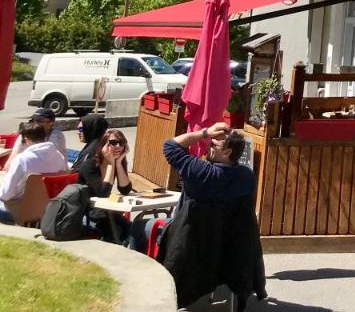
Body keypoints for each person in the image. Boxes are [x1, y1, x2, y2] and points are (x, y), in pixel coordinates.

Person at [152, 123, 266, 309]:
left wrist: (204, 132)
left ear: (227, 152)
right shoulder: (246, 177)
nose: (208, 146)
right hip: (229, 247)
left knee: (143, 228)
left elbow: (170, 145)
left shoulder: (200, 173)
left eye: (213, 145)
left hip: (191, 243)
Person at [0, 122, 67, 223]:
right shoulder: (59, 157)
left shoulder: (22, 160)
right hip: (47, 210)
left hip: (19, 210)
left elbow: (5, 195)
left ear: (26, 139)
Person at [76, 128, 133, 242]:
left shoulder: (118, 162)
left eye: (121, 143)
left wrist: (118, 162)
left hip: (107, 209)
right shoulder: (89, 165)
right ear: (103, 145)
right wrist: (111, 164)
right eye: (113, 143)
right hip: (88, 210)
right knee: (115, 231)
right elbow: (102, 193)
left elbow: (125, 190)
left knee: (131, 229)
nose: (118, 146)